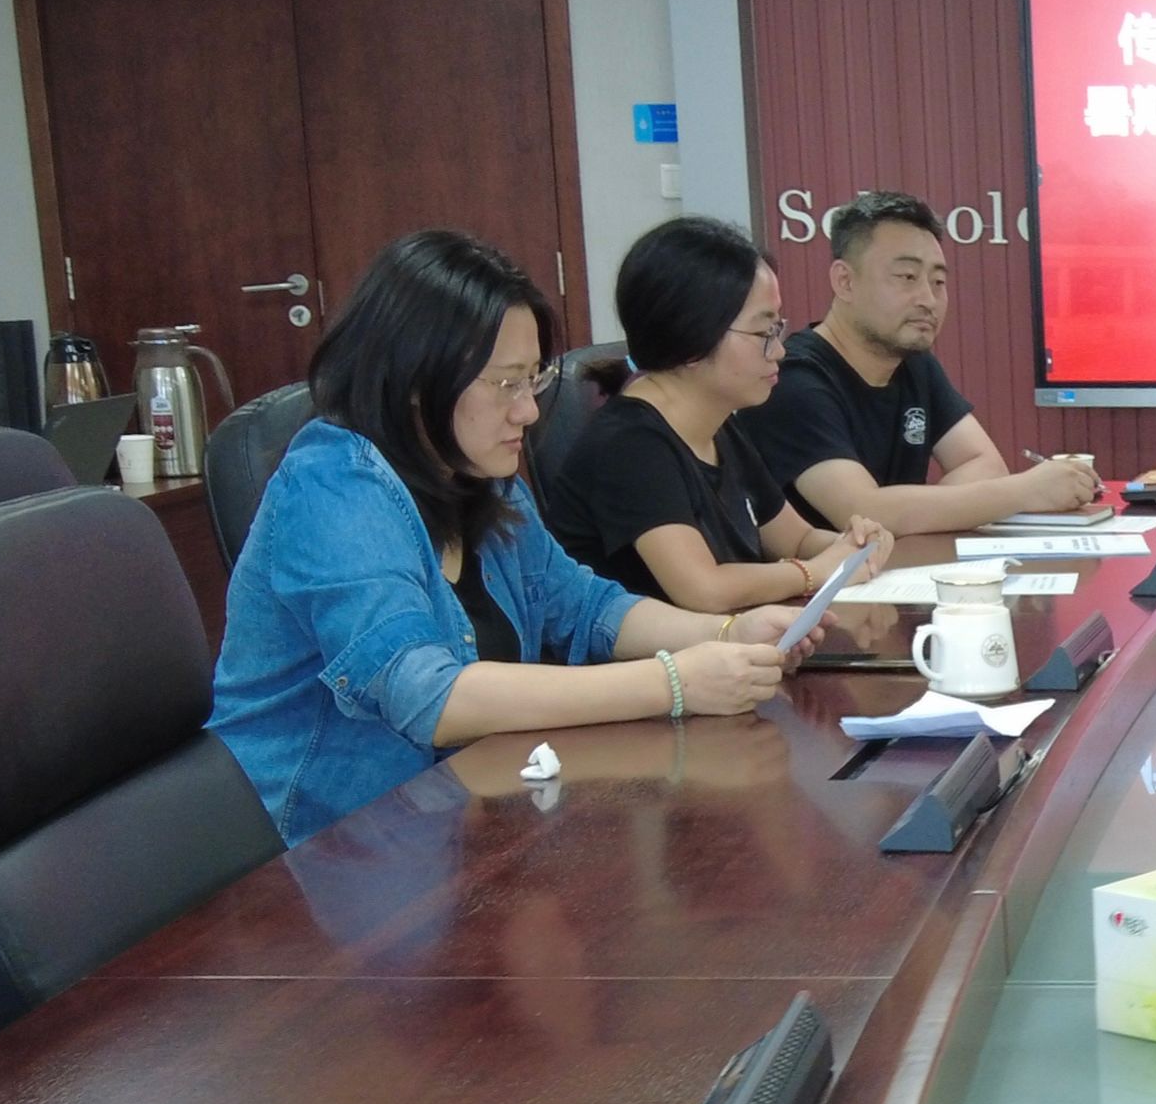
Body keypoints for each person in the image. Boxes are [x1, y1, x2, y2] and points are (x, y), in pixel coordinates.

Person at [210, 228, 802, 844]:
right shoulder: (332, 487)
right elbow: (426, 694)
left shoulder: (479, 476)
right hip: (323, 851)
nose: (529, 410)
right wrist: (673, 683)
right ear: (417, 381)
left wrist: (725, 633)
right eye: (506, 384)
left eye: (533, 380)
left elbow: (583, 606)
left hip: (460, 815)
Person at [556, 215, 895, 614]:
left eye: (778, 329)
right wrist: (815, 572)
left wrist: (854, 545)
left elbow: (796, 539)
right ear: (692, 337)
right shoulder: (630, 446)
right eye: (763, 333)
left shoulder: (718, 426)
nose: (779, 351)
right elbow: (704, 589)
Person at [738, 189, 1097, 539]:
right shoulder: (793, 379)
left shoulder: (913, 363)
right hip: (818, 578)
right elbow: (862, 512)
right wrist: (1026, 491)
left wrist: (910, 514)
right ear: (845, 281)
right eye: (907, 277)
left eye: (938, 281)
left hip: (899, 571)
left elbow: (986, 464)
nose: (928, 298)